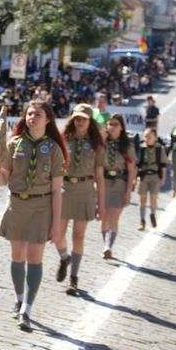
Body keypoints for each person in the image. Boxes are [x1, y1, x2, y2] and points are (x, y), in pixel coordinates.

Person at [0, 101, 68, 332]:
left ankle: (27, 309)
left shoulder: (54, 150)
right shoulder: (14, 144)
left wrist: (56, 225)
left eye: (38, 114)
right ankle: (19, 297)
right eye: (29, 114)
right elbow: (4, 181)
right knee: (17, 256)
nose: (32, 117)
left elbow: (56, 190)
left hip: (41, 207)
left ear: (48, 119)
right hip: (16, 205)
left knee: (35, 258)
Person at [54, 103, 106, 295]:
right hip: (65, 189)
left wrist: (101, 204)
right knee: (57, 234)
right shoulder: (62, 139)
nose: (80, 121)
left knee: (79, 235)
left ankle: (73, 278)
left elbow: (100, 177)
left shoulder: (97, 144)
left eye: (83, 118)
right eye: (77, 118)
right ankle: (64, 257)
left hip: (85, 190)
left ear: (90, 120)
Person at [100, 114, 137, 259]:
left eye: (115, 124)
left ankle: (108, 246)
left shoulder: (127, 146)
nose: (112, 127)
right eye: (109, 124)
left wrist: (128, 191)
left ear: (121, 127)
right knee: (104, 217)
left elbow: (132, 168)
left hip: (120, 183)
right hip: (104, 182)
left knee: (114, 217)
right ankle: (106, 243)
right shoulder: (103, 144)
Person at [136, 128, 167, 230]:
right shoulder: (141, 148)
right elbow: (137, 164)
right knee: (143, 199)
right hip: (144, 176)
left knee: (153, 198)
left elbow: (163, 165)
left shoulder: (159, 149)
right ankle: (142, 220)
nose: (147, 138)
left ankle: (153, 214)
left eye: (149, 136)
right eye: (145, 136)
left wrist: (163, 178)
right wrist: (134, 178)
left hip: (155, 176)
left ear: (155, 138)